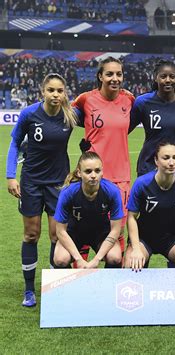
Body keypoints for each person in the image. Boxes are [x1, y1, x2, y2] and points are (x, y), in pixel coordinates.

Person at [6, 73, 78, 307]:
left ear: (64, 93)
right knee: (31, 234)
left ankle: (51, 284)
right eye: (51, 90)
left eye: (60, 91)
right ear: (43, 92)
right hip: (31, 182)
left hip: (59, 184)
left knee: (57, 235)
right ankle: (29, 290)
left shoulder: (71, 115)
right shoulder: (29, 114)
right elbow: (15, 143)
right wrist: (10, 176)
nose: (55, 95)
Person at [73, 56, 135, 258]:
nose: (114, 78)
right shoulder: (86, 99)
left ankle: (116, 283)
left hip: (121, 176)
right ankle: (79, 278)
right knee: (84, 227)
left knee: (118, 231)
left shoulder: (129, 100)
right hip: (92, 174)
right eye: (109, 74)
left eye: (119, 74)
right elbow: (65, 115)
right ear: (100, 76)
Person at [125, 142, 175, 271]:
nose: (172, 162)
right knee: (130, 265)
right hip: (144, 238)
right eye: (166, 158)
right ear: (156, 160)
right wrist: (135, 248)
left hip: (172, 237)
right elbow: (131, 217)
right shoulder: (142, 183)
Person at [53, 152, 123, 269]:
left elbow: (116, 230)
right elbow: (60, 231)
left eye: (97, 170)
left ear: (102, 172)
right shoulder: (68, 193)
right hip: (74, 233)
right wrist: (79, 259)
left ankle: (108, 286)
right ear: (79, 173)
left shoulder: (112, 191)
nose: (93, 175)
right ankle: (69, 285)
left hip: (101, 233)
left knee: (115, 257)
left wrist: (97, 259)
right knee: (60, 259)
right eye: (88, 171)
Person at [129, 59, 175, 176]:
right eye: (163, 76)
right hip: (148, 166)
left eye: (172, 76)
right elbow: (124, 129)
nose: (168, 80)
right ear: (156, 78)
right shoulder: (143, 102)